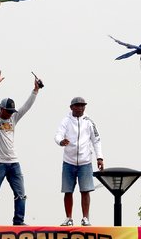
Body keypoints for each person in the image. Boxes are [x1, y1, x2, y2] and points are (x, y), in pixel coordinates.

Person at [0, 69, 41, 226]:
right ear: (1, 109)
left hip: (14, 162)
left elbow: (25, 108)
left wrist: (35, 90)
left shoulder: (14, 117)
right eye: (7, 111)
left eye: (11, 112)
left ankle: (19, 221)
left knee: (21, 194)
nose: (10, 114)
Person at [54, 97, 104, 226]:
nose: (80, 108)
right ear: (71, 107)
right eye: (78, 106)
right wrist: (61, 141)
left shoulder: (89, 122)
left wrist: (100, 157)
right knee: (68, 190)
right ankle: (68, 217)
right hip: (68, 161)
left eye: (83, 106)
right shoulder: (66, 121)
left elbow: (96, 140)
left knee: (85, 190)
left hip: (85, 161)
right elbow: (58, 134)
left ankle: (85, 218)